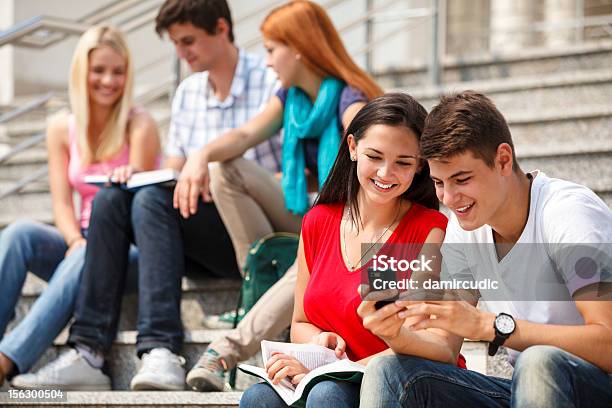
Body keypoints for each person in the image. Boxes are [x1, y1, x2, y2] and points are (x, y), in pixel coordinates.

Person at [10, 0, 283, 392]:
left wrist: (214, 176)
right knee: (115, 196)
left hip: (250, 235)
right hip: (195, 232)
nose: (181, 53)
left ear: (222, 28)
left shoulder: (269, 79)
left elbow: (293, 175)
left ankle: (161, 349)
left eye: (188, 41)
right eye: (175, 43)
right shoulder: (188, 91)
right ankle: (89, 352)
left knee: (152, 199)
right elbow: (171, 171)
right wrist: (138, 176)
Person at [358, 91, 612, 408]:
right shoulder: (464, 230)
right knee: (390, 371)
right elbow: (446, 348)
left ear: (503, 160)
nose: (449, 198)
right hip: (529, 391)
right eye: (439, 183)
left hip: (591, 386)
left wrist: (489, 326)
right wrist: (395, 334)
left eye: (461, 179)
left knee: (538, 362)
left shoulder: (568, 214)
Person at [182, 0, 384, 392]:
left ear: (299, 49)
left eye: (272, 49)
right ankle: (254, 287)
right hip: (311, 213)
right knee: (226, 168)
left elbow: (368, 142)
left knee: (310, 253)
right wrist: (200, 155)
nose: (268, 61)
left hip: (354, 223)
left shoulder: (348, 96)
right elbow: (243, 137)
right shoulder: (290, 100)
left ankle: (226, 350)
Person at [239, 93, 468, 408]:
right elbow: (301, 322)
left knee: (327, 393)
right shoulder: (318, 221)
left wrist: (327, 372)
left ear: (419, 167)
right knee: (258, 397)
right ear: (352, 148)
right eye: (375, 156)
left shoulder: (431, 230)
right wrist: (320, 342)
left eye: (403, 162)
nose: (386, 173)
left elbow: (423, 344)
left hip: (403, 377)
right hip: (331, 375)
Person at [0, 25, 160, 388]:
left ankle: (7, 360)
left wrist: (84, 249)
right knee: (19, 233)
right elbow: (61, 203)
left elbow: (144, 204)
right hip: (82, 243)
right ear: (80, 72)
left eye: (118, 71)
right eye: (99, 70)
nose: (109, 80)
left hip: (128, 251)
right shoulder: (61, 127)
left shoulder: (141, 123)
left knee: (87, 252)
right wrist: (74, 240)